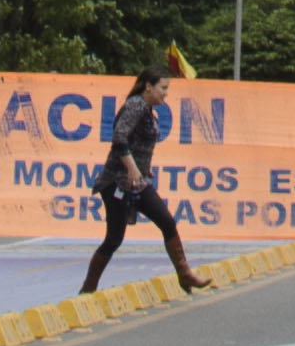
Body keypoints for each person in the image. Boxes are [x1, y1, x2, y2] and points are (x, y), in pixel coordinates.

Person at [78, 65, 206, 295]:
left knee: (167, 221)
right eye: (163, 88)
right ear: (149, 86)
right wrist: (132, 168)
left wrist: (143, 170)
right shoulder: (136, 104)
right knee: (114, 239)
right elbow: (119, 137)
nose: (166, 93)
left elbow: (139, 144)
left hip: (138, 183)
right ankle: (88, 289)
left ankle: (184, 274)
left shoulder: (147, 110)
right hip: (117, 183)